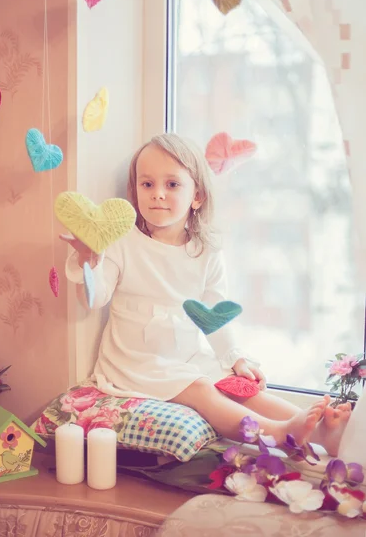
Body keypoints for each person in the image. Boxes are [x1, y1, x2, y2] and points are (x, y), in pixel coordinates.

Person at [60, 133, 350, 456]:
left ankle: (325, 434)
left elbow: (213, 316)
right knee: (200, 389)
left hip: (183, 355)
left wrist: (234, 358)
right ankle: (279, 434)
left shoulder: (205, 252)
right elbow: (94, 298)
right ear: (135, 192)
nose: (157, 194)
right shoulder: (124, 242)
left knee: (237, 387)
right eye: (147, 185)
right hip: (135, 362)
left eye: (172, 185)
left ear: (196, 196)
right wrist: (89, 261)